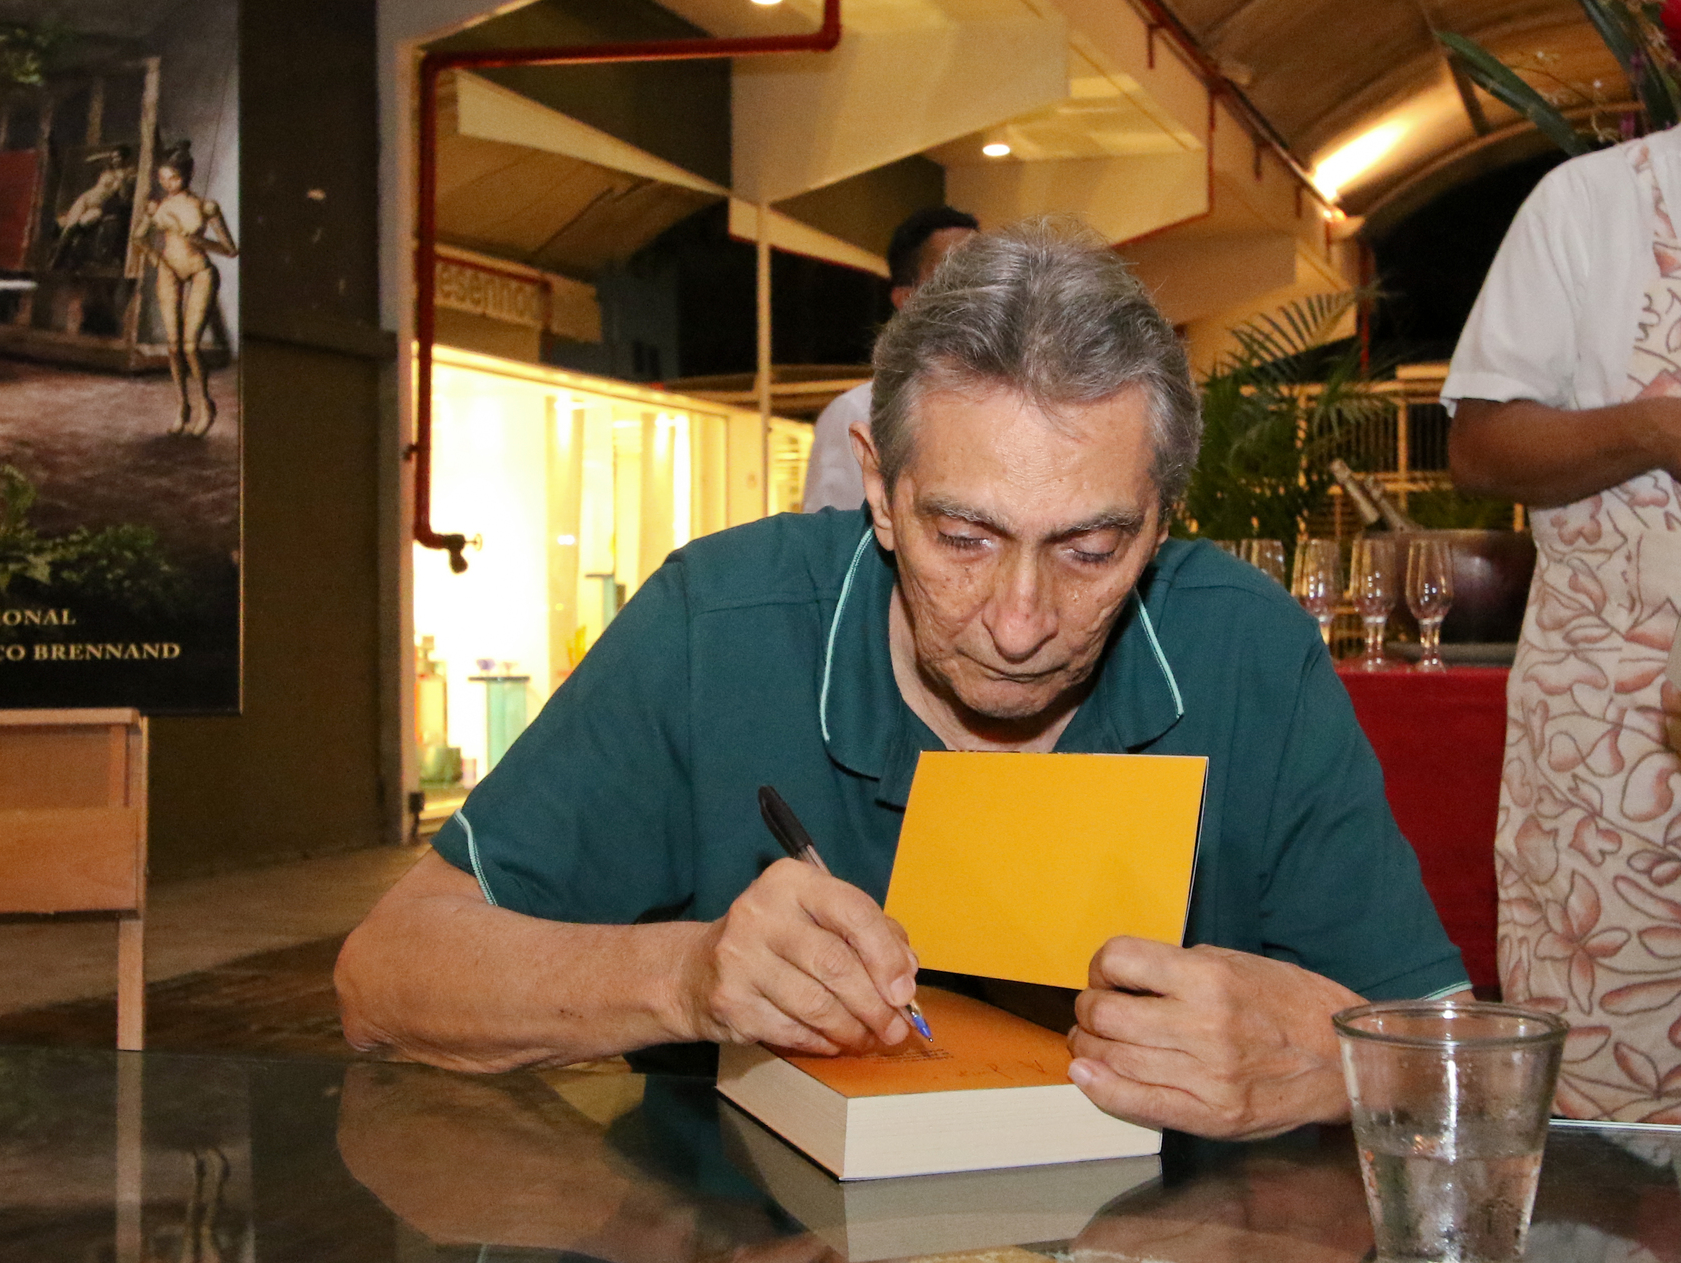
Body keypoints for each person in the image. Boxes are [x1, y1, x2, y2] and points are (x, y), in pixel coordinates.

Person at [338, 221, 1469, 1142]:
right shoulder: (715, 629)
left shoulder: (1250, 654)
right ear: (878, 489)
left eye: (1090, 550)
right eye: (963, 537)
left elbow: (1456, 1051)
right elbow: (384, 978)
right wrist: (686, 977)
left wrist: (1329, 1061)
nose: (1020, 624)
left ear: (1163, 523)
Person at [1445, 130, 1681, 1122]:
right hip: (1613, 751)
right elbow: (1480, 445)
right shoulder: (1594, 202)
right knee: (1605, 1097)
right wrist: (1653, 429)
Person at [800, 207, 978, 513]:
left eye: (983, 270)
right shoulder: (857, 413)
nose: (977, 288)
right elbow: (834, 548)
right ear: (907, 300)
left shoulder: (1012, 401)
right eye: (955, 275)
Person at [135, 142, 236, 436]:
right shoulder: (158, 206)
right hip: (169, 271)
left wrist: (201, 242)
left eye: (174, 179)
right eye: (163, 179)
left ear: (188, 176)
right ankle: (182, 407)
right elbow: (139, 237)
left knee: (191, 345)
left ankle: (206, 404)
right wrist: (156, 259)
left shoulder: (205, 207)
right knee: (174, 346)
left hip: (199, 270)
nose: (168, 184)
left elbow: (231, 250)